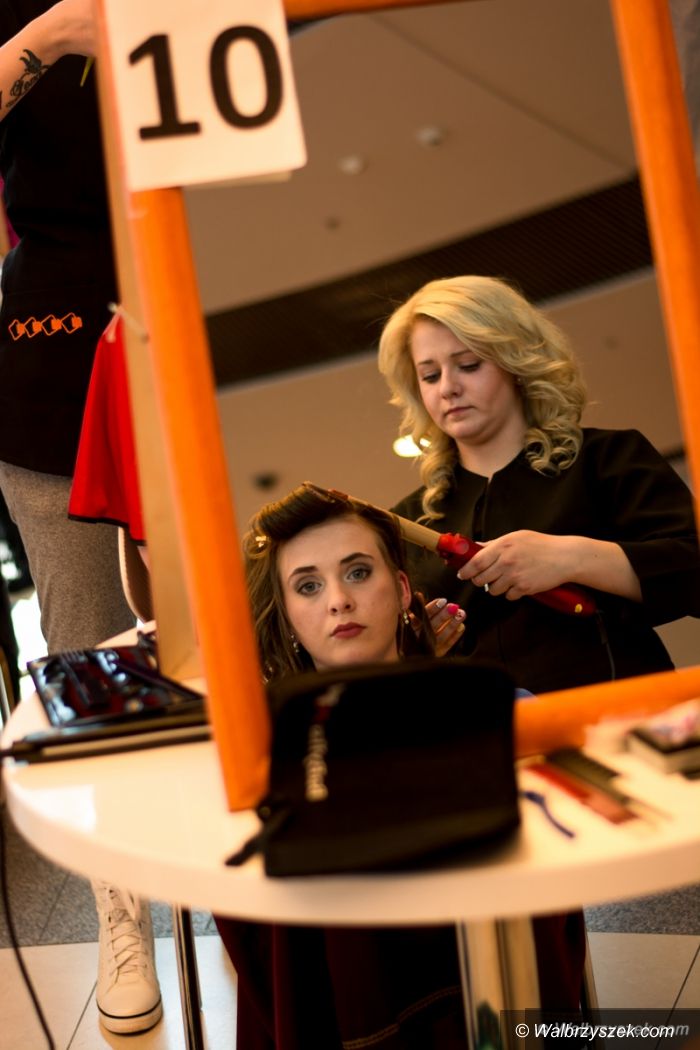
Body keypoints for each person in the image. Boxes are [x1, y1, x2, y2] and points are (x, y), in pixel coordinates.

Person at [377, 272, 700, 1010]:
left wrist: (573, 556)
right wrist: (421, 647)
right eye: (430, 374)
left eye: (468, 364)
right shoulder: (410, 520)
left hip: (620, 753)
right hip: (482, 773)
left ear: (516, 360)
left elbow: (693, 571)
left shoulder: (609, 461)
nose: (448, 388)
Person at [0, 0, 161, 1033]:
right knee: (87, 646)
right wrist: (45, 42)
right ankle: (121, 911)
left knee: (275, 607)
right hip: (51, 365)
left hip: (208, 317)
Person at [216, 483, 470, 1050]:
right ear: (287, 616)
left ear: (401, 589)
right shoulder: (262, 759)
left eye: (357, 573)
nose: (338, 601)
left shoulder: (484, 713)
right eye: (308, 586)